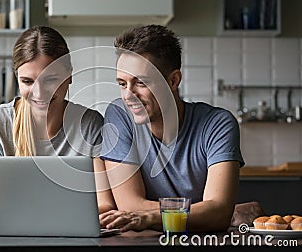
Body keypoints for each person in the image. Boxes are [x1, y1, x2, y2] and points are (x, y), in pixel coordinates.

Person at [99, 25, 263, 232]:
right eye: (122, 84)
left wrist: (217, 213)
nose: (128, 96)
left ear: (173, 80)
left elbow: (218, 212)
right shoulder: (119, 115)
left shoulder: (218, 124)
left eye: (140, 83)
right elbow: (130, 205)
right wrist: (204, 213)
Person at [0, 26, 115, 229]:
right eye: (27, 81)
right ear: (17, 79)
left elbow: (105, 205)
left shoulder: (89, 124)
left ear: (69, 75)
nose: (39, 93)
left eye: (50, 79)